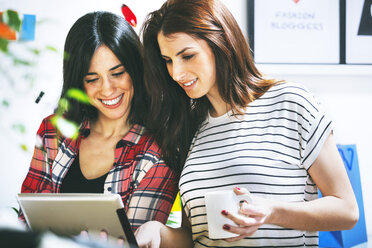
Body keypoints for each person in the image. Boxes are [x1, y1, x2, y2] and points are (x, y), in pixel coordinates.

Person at [135, 0, 359, 247]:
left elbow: (347, 210)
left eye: (187, 56)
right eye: (168, 60)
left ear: (221, 43)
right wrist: (157, 230)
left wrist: (272, 212)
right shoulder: (190, 126)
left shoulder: (290, 103)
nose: (176, 73)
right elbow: (198, 236)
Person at [20, 11, 178, 233]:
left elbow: (137, 239)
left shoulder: (159, 148)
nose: (107, 89)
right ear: (79, 82)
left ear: (136, 69)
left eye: (118, 73)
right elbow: (27, 219)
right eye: (92, 79)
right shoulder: (52, 132)